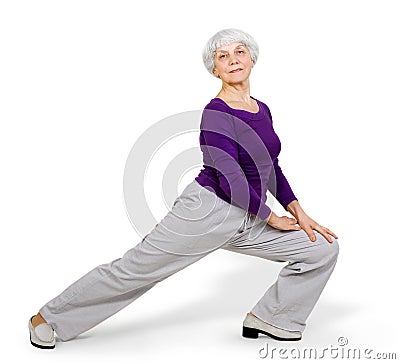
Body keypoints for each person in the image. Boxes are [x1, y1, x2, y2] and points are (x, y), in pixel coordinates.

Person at [28, 28, 339, 349]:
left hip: (250, 214)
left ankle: (273, 317)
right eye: (223, 56)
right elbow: (229, 177)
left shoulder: (261, 109)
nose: (233, 60)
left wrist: (297, 211)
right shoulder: (217, 113)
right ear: (214, 69)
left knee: (321, 249)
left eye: (239, 52)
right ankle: (49, 318)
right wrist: (271, 218)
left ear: (252, 59)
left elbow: (269, 165)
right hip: (209, 210)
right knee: (134, 270)